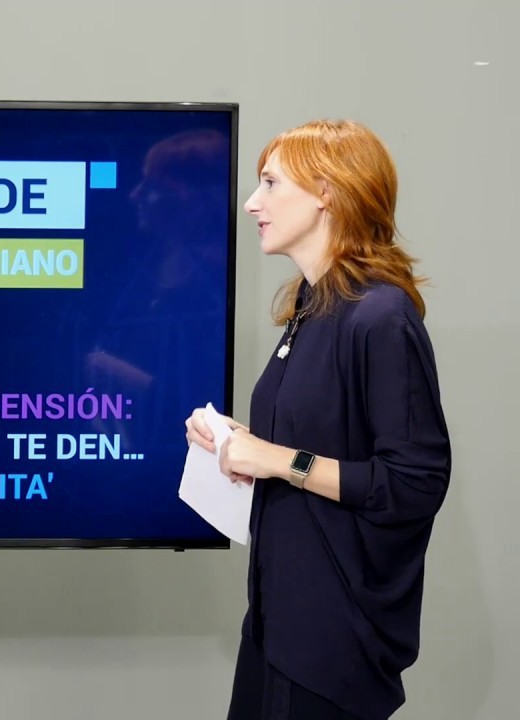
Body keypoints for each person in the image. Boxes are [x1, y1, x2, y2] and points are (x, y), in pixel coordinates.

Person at [185, 119, 451, 719]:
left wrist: (278, 459)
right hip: (276, 625)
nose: (252, 204)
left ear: (327, 191)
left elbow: (414, 483)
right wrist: (237, 442)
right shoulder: (313, 306)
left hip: (331, 647)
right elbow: (317, 446)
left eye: (270, 183)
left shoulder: (380, 317)